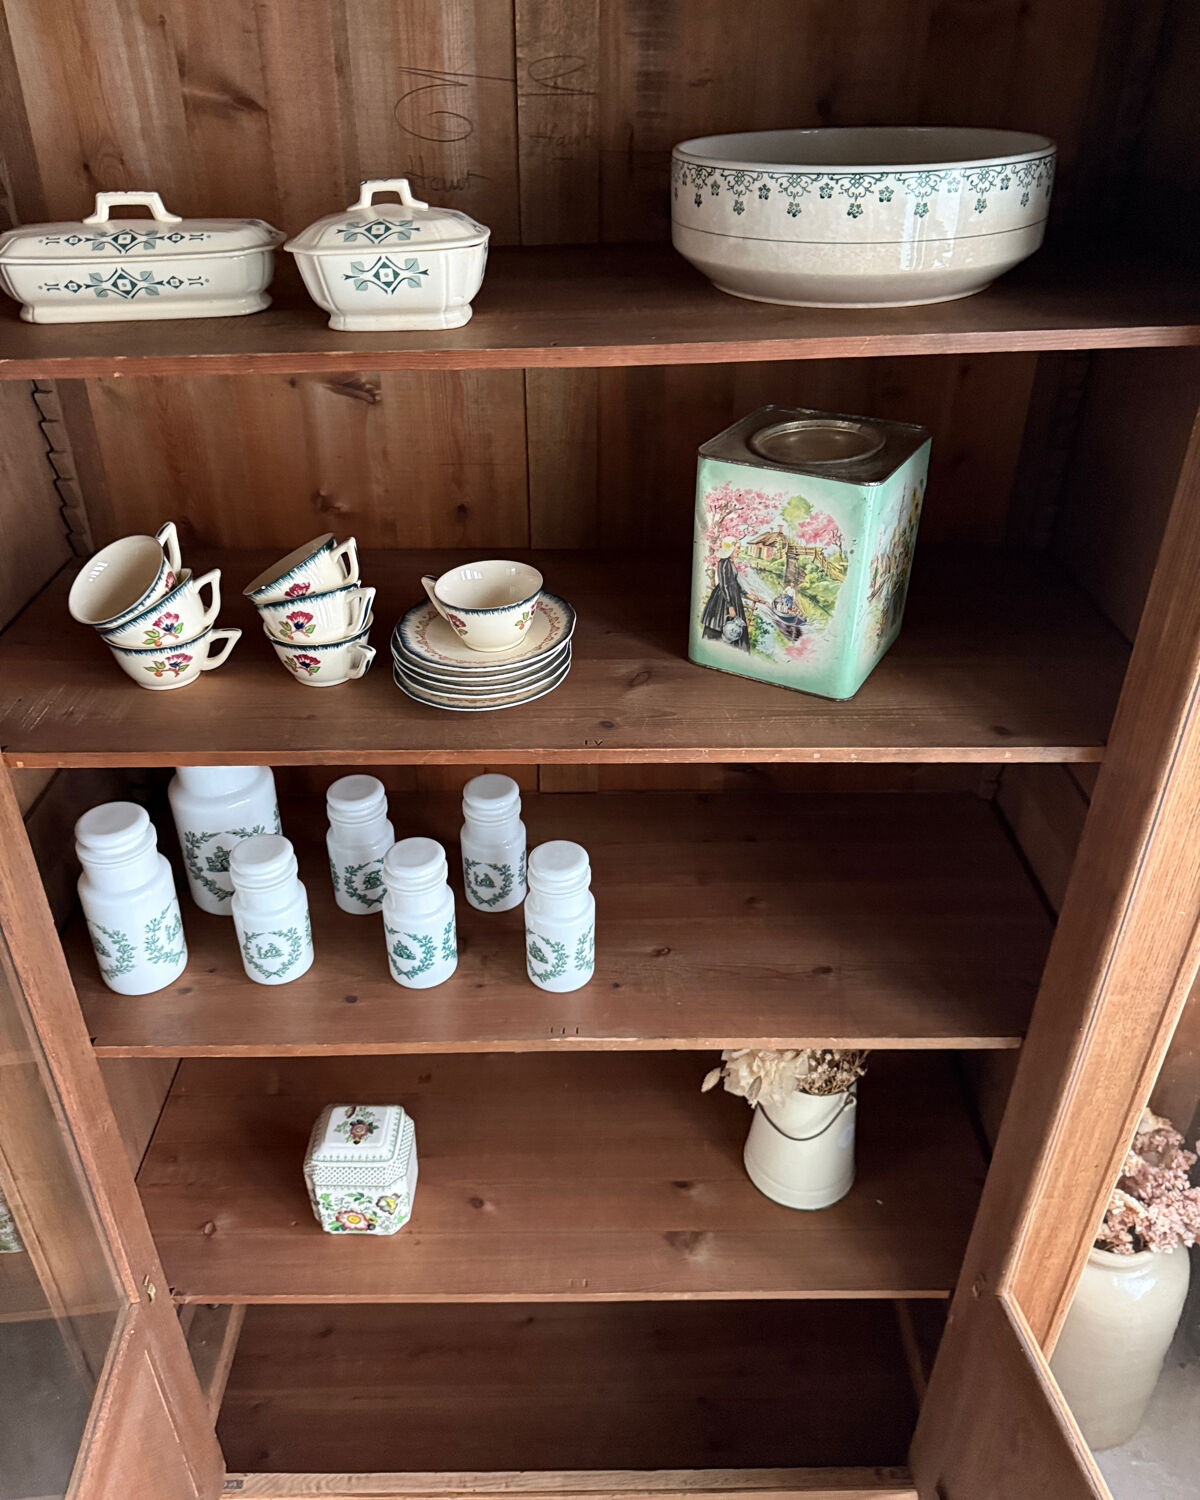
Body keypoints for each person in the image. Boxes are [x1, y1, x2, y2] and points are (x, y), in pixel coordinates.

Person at [701, 542, 750, 651]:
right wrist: (730, 606)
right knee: (720, 626)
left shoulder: (730, 563)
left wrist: (746, 594)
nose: (739, 550)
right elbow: (724, 585)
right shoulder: (724, 563)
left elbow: (734, 582)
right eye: (737, 548)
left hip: (732, 596)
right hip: (723, 598)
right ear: (731, 548)